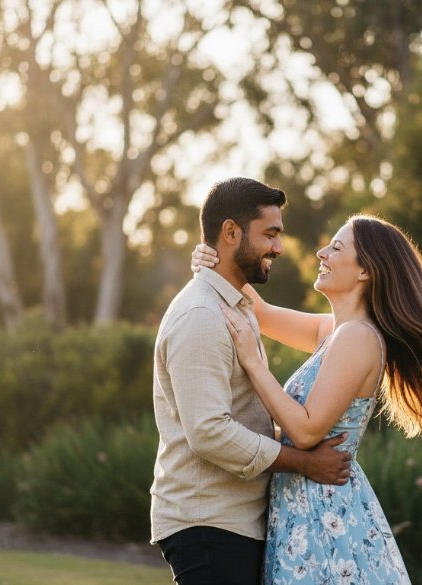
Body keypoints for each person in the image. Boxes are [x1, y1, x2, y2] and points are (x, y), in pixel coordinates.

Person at [193, 214, 422, 584]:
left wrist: (254, 365)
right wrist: (214, 263)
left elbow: (305, 432)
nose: (321, 252)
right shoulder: (334, 331)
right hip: (305, 508)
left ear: (366, 270)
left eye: (336, 248)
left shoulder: (358, 338)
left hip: (324, 516)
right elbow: (261, 313)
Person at [150, 177, 353, 585]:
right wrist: (305, 463)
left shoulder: (236, 305)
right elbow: (209, 432)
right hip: (208, 522)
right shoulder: (202, 316)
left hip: (233, 522)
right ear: (230, 233)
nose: (278, 247)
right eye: (270, 234)